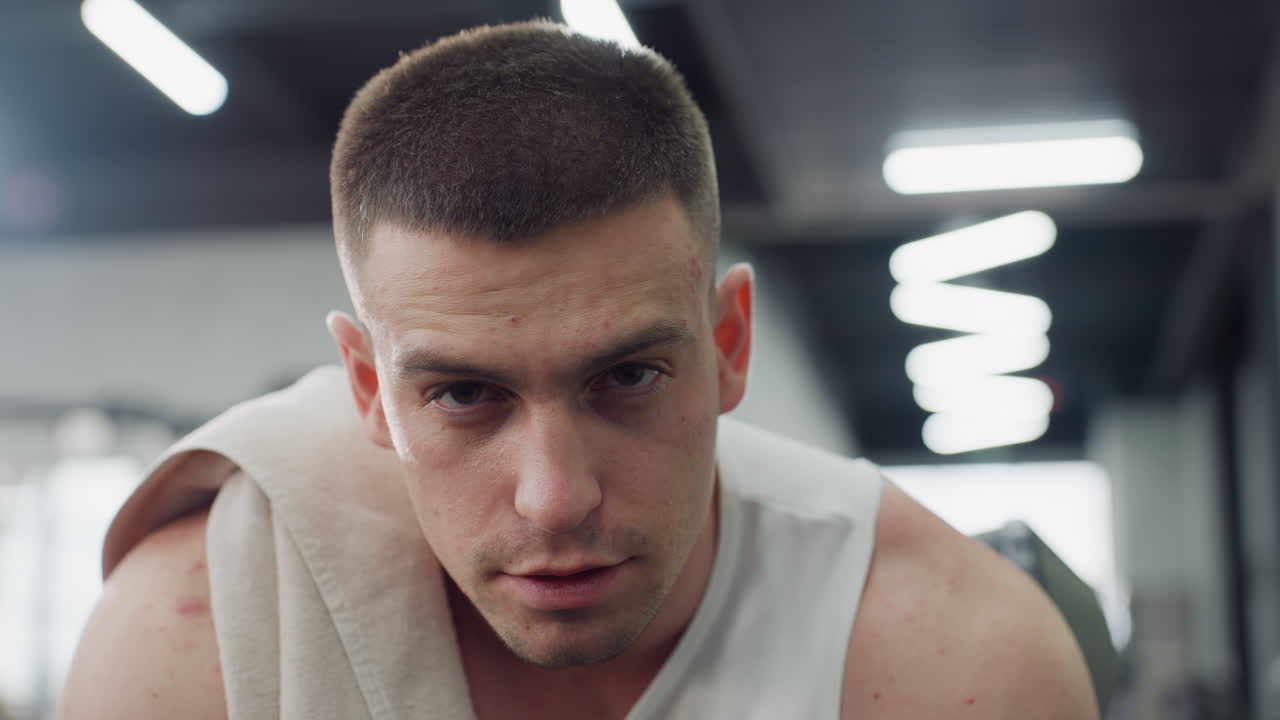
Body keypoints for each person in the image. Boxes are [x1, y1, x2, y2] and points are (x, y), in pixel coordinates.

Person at [58, 20, 1097, 719]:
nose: (555, 499)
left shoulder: (951, 662)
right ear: (369, 388)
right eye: (464, 394)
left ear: (727, 344)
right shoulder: (198, 641)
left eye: (627, 376)